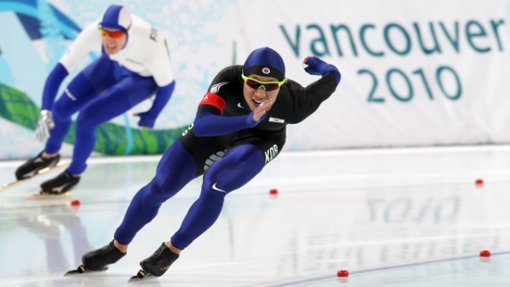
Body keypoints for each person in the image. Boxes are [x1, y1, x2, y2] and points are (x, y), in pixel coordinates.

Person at [73, 47, 341, 278]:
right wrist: (247, 120)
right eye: (253, 84)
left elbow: (333, 77)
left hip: (261, 140)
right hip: (217, 129)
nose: (260, 93)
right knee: (161, 185)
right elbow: (202, 125)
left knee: (216, 183)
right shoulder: (227, 80)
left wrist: (321, 67)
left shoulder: (295, 103)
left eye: (269, 87)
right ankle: (118, 245)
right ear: (242, 79)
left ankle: (172, 250)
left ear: (281, 86)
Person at [14, 4, 176, 195]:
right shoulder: (92, 33)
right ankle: (50, 154)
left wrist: (151, 115)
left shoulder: (150, 47)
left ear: (128, 32)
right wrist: (44, 110)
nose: (108, 40)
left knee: (86, 119)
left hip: (141, 80)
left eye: (115, 35)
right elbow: (58, 73)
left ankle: (73, 173)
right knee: (60, 109)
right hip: (112, 65)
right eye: (105, 33)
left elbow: (167, 86)